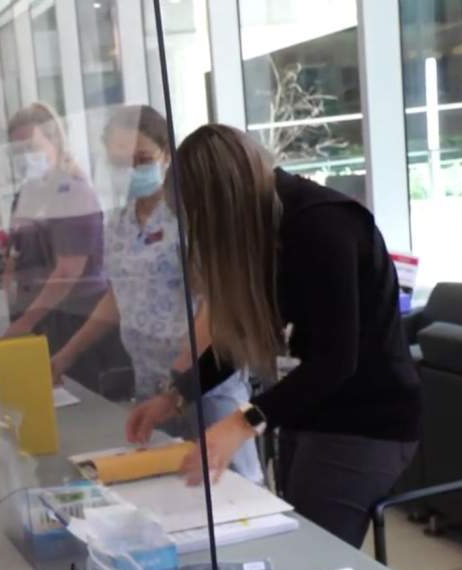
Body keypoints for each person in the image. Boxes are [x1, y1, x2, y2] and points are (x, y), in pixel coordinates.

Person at [126, 124, 420, 547]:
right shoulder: (266, 228)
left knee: (310, 551)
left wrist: (245, 422)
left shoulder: (323, 227)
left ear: (224, 207)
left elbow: (337, 360)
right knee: (293, 530)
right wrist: (176, 394)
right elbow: (243, 334)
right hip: (312, 411)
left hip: (367, 423)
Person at [53, 106, 262, 483]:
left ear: (167, 155)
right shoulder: (116, 222)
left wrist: (180, 381)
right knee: (170, 488)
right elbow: (119, 296)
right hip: (150, 383)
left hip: (204, 382)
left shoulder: (189, 217)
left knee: (233, 489)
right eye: (120, 161)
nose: (131, 170)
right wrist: (66, 355)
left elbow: (214, 305)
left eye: (142, 159)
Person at [2, 102, 124, 392]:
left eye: (31, 147)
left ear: (54, 140)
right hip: (40, 316)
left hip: (76, 321)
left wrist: (24, 323)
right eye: (16, 151)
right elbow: (15, 255)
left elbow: (67, 271)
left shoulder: (73, 191)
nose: (24, 157)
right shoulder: (28, 193)